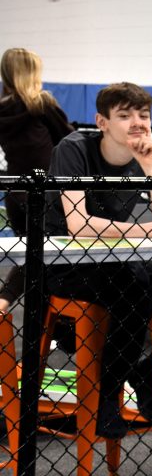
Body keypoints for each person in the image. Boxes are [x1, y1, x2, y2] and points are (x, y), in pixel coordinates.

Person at [46, 82, 152, 438]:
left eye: (143, 115)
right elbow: (78, 224)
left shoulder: (151, 154)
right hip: (67, 263)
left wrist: (149, 166)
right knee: (136, 288)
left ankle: (148, 376)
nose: (137, 123)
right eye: (125, 115)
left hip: (120, 258)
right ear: (102, 121)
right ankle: (107, 394)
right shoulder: (74, 149)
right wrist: (150, 229)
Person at [0, 47, 75, 313]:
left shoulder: (4, 111)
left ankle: (39, 337)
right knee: (41, 257)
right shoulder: (41, 105)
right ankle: (6, 302)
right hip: (43, 194)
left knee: (33, 256)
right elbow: (69, 141)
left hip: (15, 191)